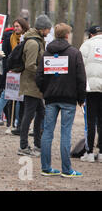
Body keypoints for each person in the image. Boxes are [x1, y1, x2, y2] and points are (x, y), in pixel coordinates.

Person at [36, 23, 86, 177]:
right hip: (69, 98)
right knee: (65, 133)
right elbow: (81, 78)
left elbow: (39, 76)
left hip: (51, 98)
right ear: (66, 35)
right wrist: (81, 98)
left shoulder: (47, 53)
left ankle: (46, 167)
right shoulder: (74, 53)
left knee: (47, 133)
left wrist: (45, 91)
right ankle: (66, 169)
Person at [17, 14, 52, 157]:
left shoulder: (37, 40)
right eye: (48, 29)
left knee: (40, 113)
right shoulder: (33, 43)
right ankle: (24, 146)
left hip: (34, 85)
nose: (49, 32)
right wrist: (44, 72)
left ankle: (37, 144)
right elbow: (30, 65)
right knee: (29, 115)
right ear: (43, 29)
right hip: (31, 85)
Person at [0, 18, 30, 131]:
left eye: (18, 26)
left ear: (23, 27)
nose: (16, 28)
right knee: (6, 94)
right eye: (14, 26)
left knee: (18, 97)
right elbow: (6, 57)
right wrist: (8, 71)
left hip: (22, 71)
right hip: (11, 71)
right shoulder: (8, 38)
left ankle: (16, 121)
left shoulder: (27, 39)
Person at [79, 25, 102, 162]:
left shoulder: (86, 45)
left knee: (90, 120)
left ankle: (89, 152)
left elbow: (80, 67)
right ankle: (101, 153)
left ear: (91, 35)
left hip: (90, 88)